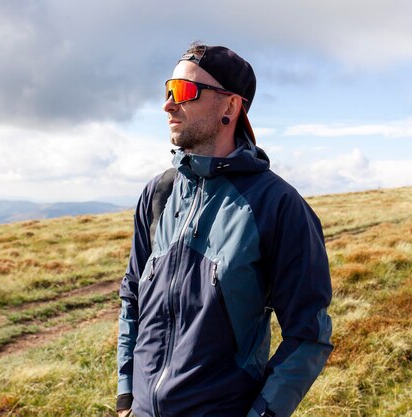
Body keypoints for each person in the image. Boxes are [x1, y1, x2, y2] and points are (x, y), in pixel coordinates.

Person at [116, 43, 333, 417]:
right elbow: (131, 297)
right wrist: (125, 397)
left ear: (230, 107)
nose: (168, 105)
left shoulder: (278, 205)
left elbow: (309, 335)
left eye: (184, 91)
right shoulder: (158, 193)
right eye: (168, 90)